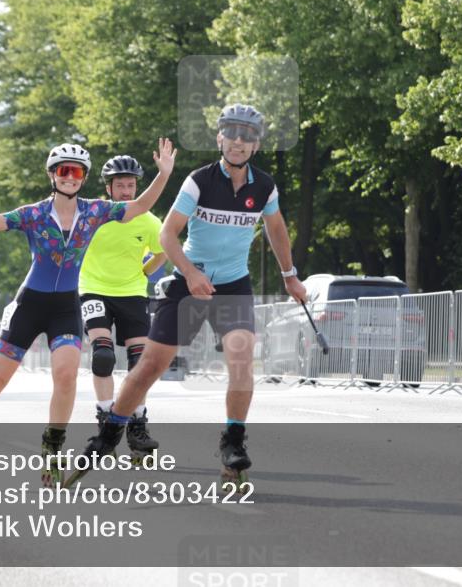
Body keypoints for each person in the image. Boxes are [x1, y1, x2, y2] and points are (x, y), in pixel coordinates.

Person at [0, 138, 175, 486]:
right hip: (29, 306)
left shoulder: (95, 212)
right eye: (63, 171)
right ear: (52, 175)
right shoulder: (33, 215)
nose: (70, 177)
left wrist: (163, 174)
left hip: (65, 308)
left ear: (84, 177)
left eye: (76, 172)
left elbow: (139, 206)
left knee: (65, 376)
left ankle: (53, 447)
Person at [77, 104, 307, 487]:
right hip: (188, 282)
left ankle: (233, 441)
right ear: (219, 138)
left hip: (233, 284)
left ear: (255, 144)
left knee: (241, 359)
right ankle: (110, 431)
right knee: (150, 365)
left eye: (246, 136)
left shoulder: (264, 186)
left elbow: (276, 227)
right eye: (231, 134)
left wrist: (290, 276)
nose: (238, 142)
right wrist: (190, 272)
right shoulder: (199, 181)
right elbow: (167, 235)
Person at [78, 155, 168, 459]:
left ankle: (137, 426)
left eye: (131, 185)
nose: (126, 191)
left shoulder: (149, 221)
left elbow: (162, 252)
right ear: (109, 188)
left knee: (140, 363)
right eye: (120, 186)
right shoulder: (95, 215)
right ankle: (106, 418)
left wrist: (144, 271)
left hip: (132, 294)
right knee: (103, 355)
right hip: (93, 290)